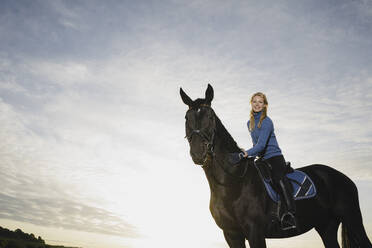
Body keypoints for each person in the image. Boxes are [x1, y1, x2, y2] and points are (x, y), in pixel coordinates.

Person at [241, 92, 297, 230]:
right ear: (251, 103)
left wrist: (246, 153)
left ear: (265, 105)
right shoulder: (249, 123)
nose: (257, 104)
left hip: (275, 157)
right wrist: (248, 156)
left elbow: (261, 145)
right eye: (255, 101)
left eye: (260, 102)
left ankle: (290, 213)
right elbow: (256, 146)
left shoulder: (267, 121)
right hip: (261, 159)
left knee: (278, 179)